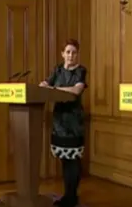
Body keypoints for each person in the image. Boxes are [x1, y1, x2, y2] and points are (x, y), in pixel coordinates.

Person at [39, 39, 87, 207]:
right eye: (68, 52)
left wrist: (54, 89)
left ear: (77, 54)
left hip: (73, 122)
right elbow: (44, 85)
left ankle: (72, 197)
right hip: (59, 121)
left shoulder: (80, 71)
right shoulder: (57, 70)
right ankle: (68, 196)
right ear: (62, 54)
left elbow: (76, 90)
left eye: (74, 52)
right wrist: (45, 86)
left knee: (73, 160)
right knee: (64, 159)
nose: (70, 55)